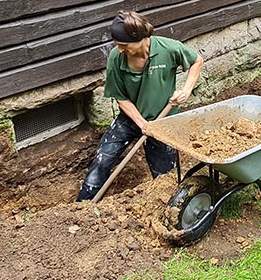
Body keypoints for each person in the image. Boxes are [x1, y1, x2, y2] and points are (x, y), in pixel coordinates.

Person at [76, 11, 204, 201]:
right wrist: (143, 124)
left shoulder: (169, 49)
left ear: (141, 38)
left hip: (162, 122)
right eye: (117, 45)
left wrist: (186, 89)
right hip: (130, 119)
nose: (119, 49)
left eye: (124, 45)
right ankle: (82, 206)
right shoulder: (116, 58)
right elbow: (120, 97)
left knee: (165, 176)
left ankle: (166, 206)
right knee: (103, 159)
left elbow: (197, 61)